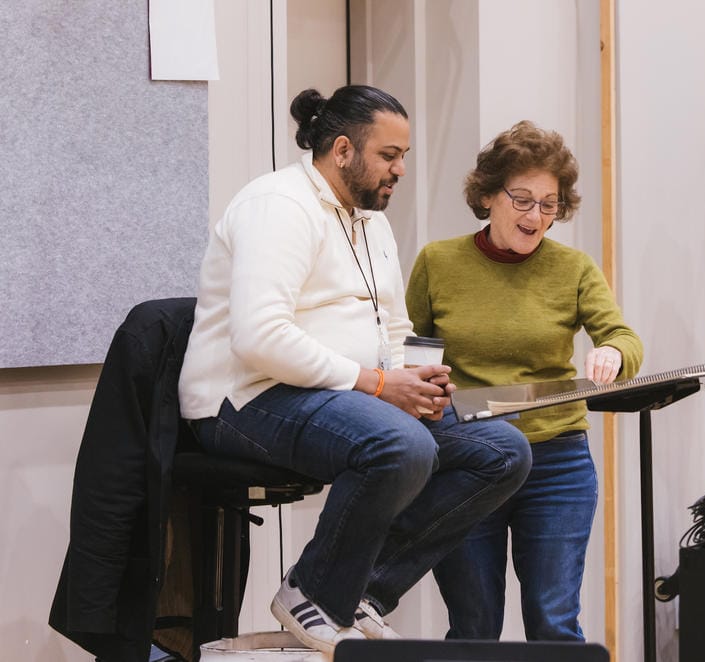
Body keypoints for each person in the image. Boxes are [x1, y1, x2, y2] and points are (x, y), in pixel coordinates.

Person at [177, 85, 531, 654]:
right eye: (389, 156)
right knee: (402, 445)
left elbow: (390, 325)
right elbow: (259, 337)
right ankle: (312, 593)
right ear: (342, 150)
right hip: (245, 399)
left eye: (404, 156)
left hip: (343, 398)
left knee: (501, 451)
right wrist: (379, 385)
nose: (400, 169)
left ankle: (360, 590)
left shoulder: (370, 222)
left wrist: (414, 381)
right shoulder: (279, 206)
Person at [406, 120, 643, 641]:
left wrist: (610, 350)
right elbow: (413, 355)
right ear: (488, 194)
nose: (536, 216)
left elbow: (625, 339)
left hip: (557, 462)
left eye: (549, 204)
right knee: (473, 624)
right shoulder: (437, 263)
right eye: (522, 199)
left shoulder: (574, 268)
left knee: (553, 622)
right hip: (469, 462)